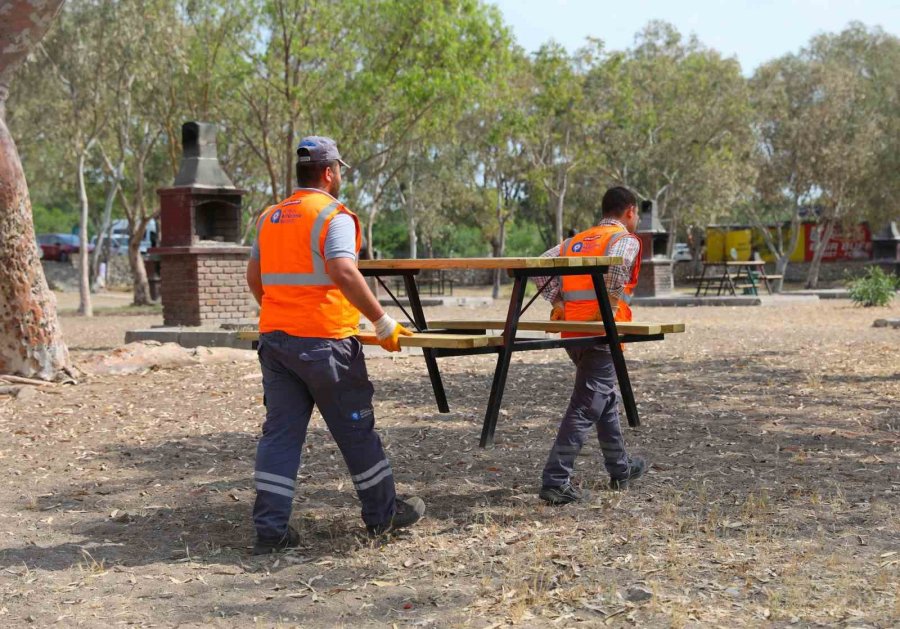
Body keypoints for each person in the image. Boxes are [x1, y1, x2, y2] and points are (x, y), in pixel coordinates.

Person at [245, 136, 425, 554]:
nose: (340, 176)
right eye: (339, 169)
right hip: (326, 345)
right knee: (356, 431)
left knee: (280, 437)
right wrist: (382, 321)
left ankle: (270, 531)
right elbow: (343, 270)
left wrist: (283, 313)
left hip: (276, 342)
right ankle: (382, 516)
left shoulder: (269, 217)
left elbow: (255, 278)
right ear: (329, 173)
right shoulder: (334, 216)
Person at [534, 186, 648, 505]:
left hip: (573, 333)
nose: (636, 219)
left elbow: (539, 266)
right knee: (588, 404)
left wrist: (560, 301)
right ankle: (556, 480)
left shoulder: (574, 242)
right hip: (600, 333)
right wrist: (609, 305)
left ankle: (620, 467)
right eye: (636, 214)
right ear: (629, 211)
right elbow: (619, 264)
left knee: (604, 399)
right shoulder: (623, 239)